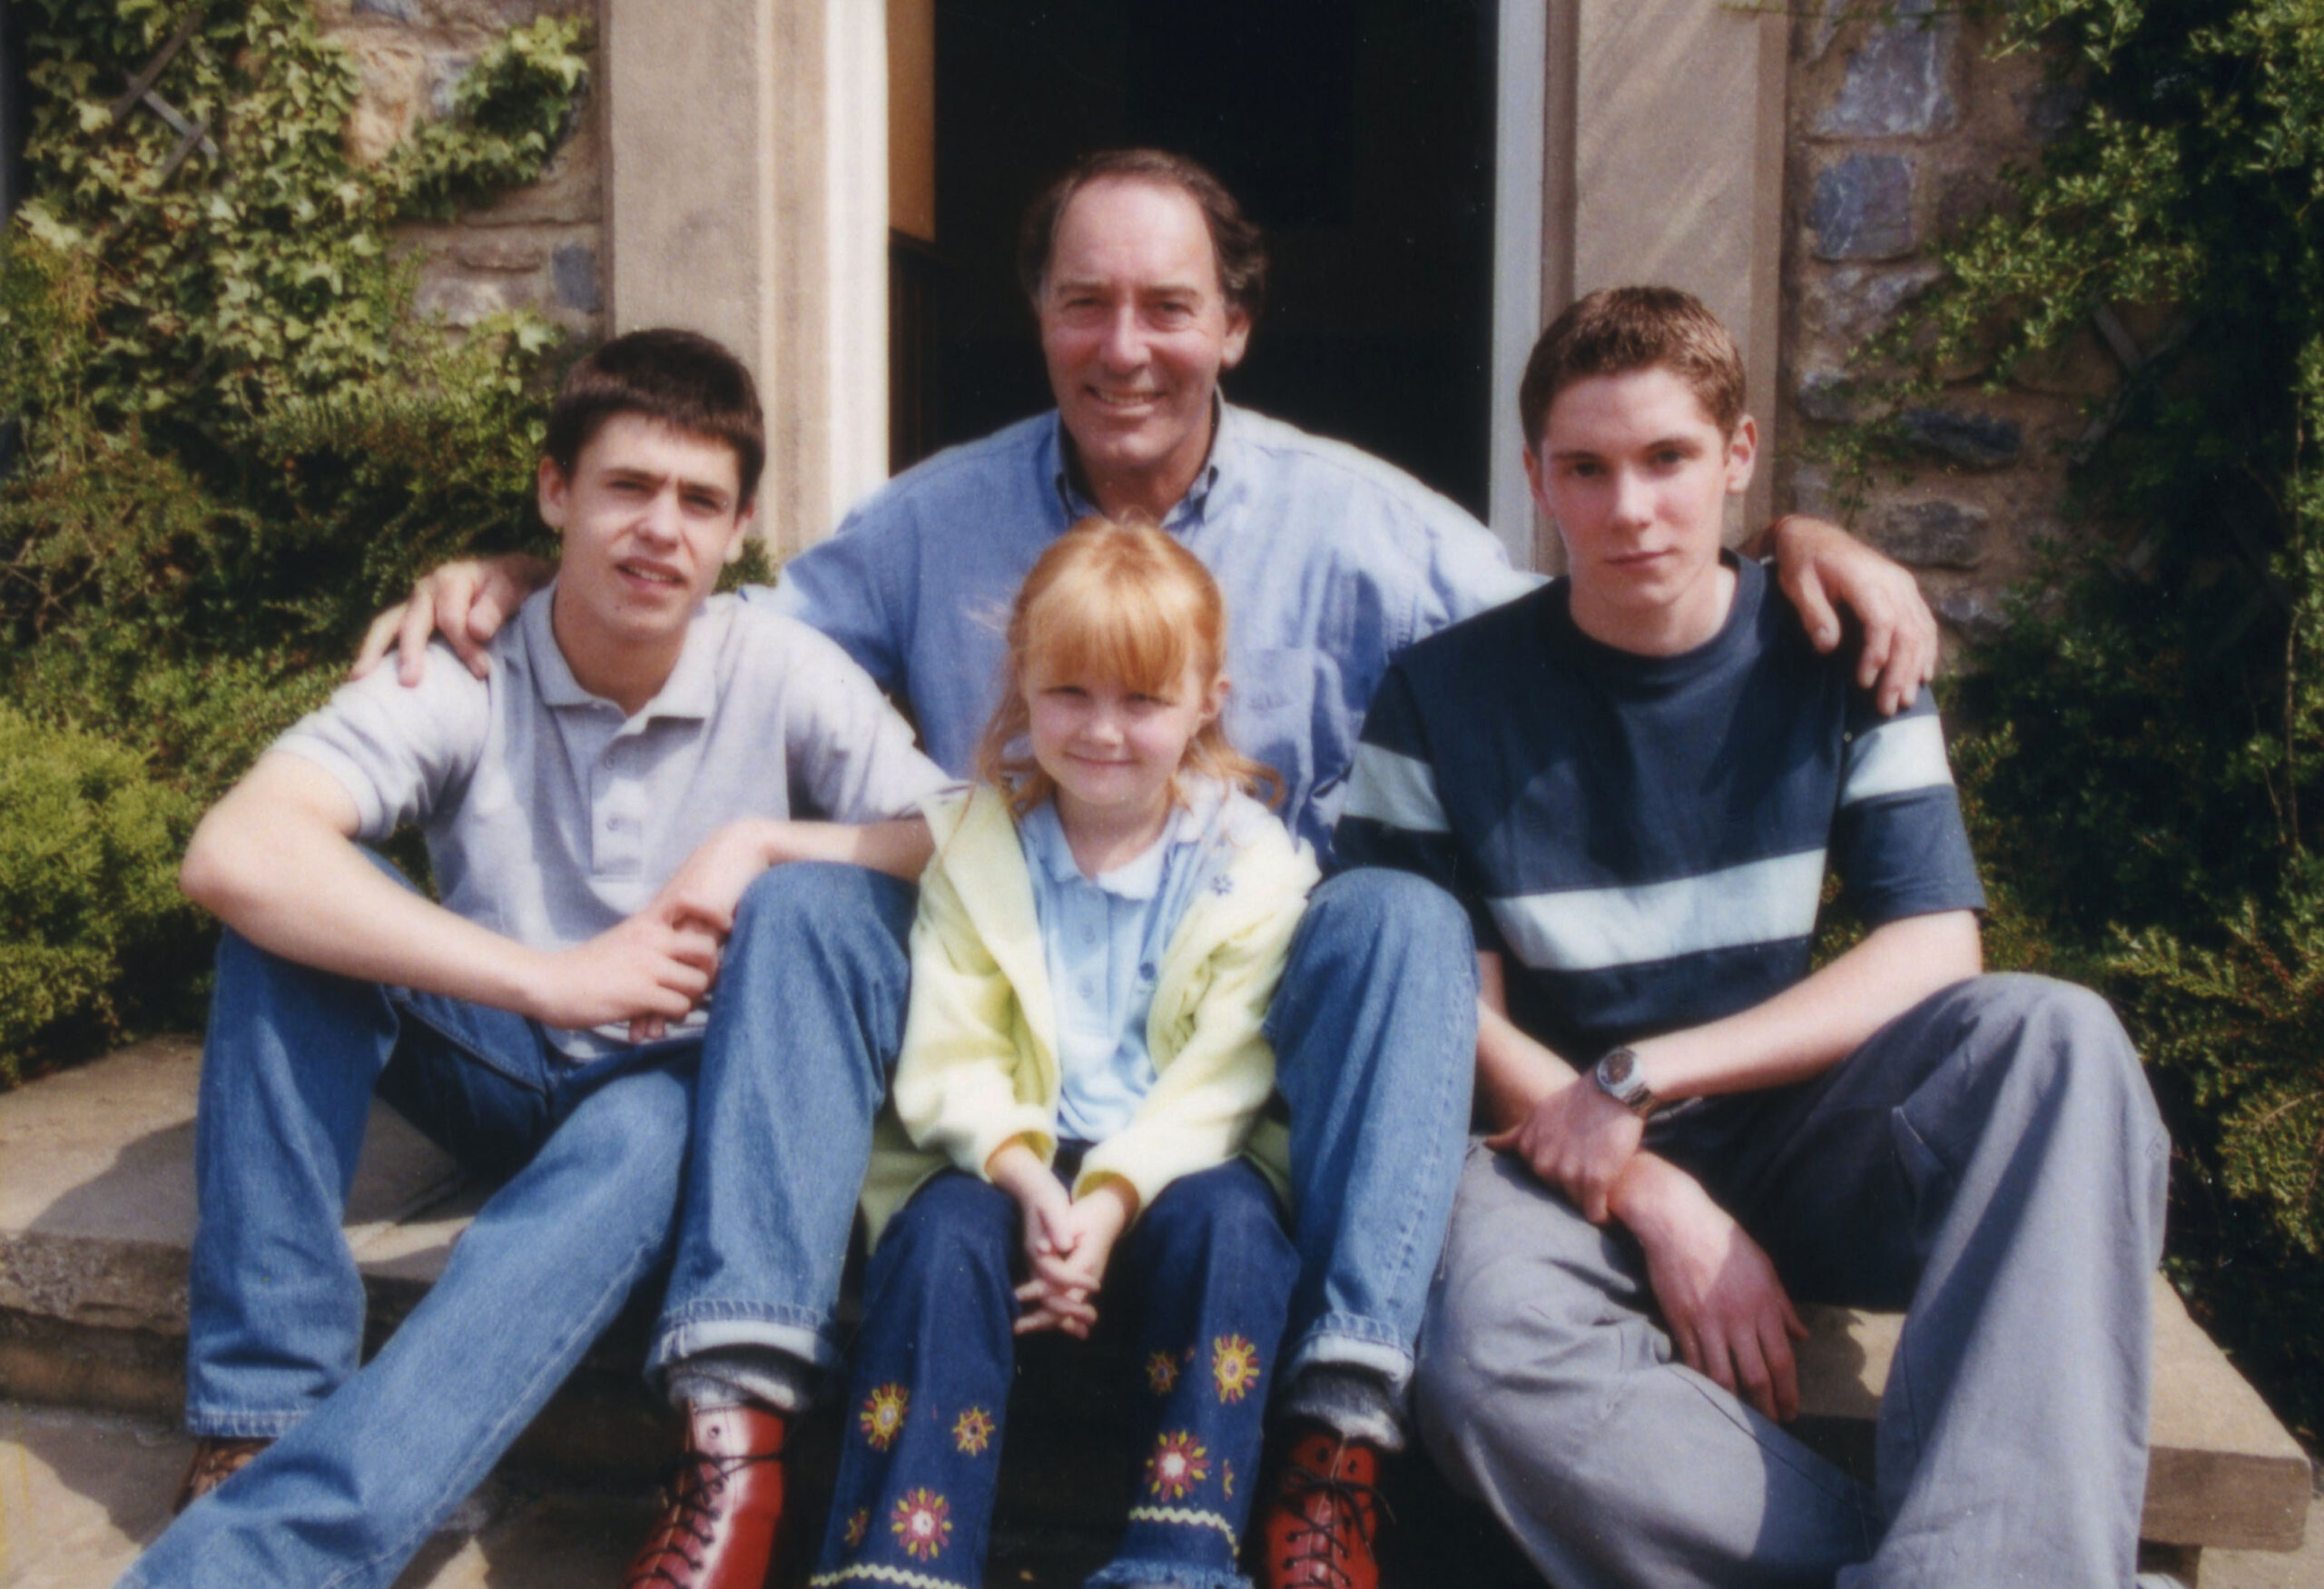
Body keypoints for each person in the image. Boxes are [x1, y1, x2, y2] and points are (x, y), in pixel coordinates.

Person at [357, 151, 1944, 1588]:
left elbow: (1617, 573)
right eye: (1086, 303)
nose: (1127, 345)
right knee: (816, 904)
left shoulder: (1369, 524)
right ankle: (742, 1438)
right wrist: (526, 565)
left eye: (1168, 306)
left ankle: (1334, 1452)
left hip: (1266, 1033)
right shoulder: (932, 520)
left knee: (1395, 913)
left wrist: (1795, 542)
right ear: (1040, 319)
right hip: (1017, 1000)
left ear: (1234, 327)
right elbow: (708, 614)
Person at [1336, 285, 2171, 1588]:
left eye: (1669, 458)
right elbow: (1463, 1016)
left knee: (2057, 1038)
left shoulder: (1843, 645)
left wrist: (1650, 1071)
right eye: (1587, 468)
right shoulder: (1440, 696)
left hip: (1795, 1121)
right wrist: (1654, 1189)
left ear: (1736, 458)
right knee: (1477, 1346)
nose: (1630, 508)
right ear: (1535, 480)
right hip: (1560, 1155)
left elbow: (1934, 945)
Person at [123, 330, 948, 1589]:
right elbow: (233, 849)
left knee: (634, 1140)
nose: (660, 529)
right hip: (499, 1049)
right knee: (280, 922)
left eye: (699, 501)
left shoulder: (777, 664)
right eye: (626, 487)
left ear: (738, 531)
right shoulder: (465, 660)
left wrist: (765, 840)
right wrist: (552, 980)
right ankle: (262, 1411)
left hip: (672, 1095)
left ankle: (252, 1567)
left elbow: (964, 832)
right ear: (555, 491)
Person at [815, 516, 1316, 1589]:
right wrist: (1031, 1181)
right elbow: (950, 1048)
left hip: (1180, 1167)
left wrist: (1109, 1199)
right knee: (936, 1232)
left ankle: (1178, 1551)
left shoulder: (1251, 865)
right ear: (1023, 685)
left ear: (1205, 704)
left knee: (1236, 1228)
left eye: (1143, 701)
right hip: (1012, 1161)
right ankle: (901, 1558)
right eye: (1069, 694)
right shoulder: (976, 844)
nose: (1101, 731)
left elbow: (1226, 1076)